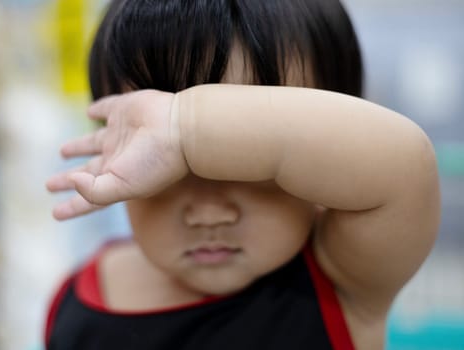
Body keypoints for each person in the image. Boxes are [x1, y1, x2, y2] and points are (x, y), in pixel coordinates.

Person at [44, 0, 440, 349]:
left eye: (253, 162)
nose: (210, 213)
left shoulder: (344, 280)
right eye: (164, 167)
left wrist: (188, 126)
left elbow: (407, 164)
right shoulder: (75, 299)